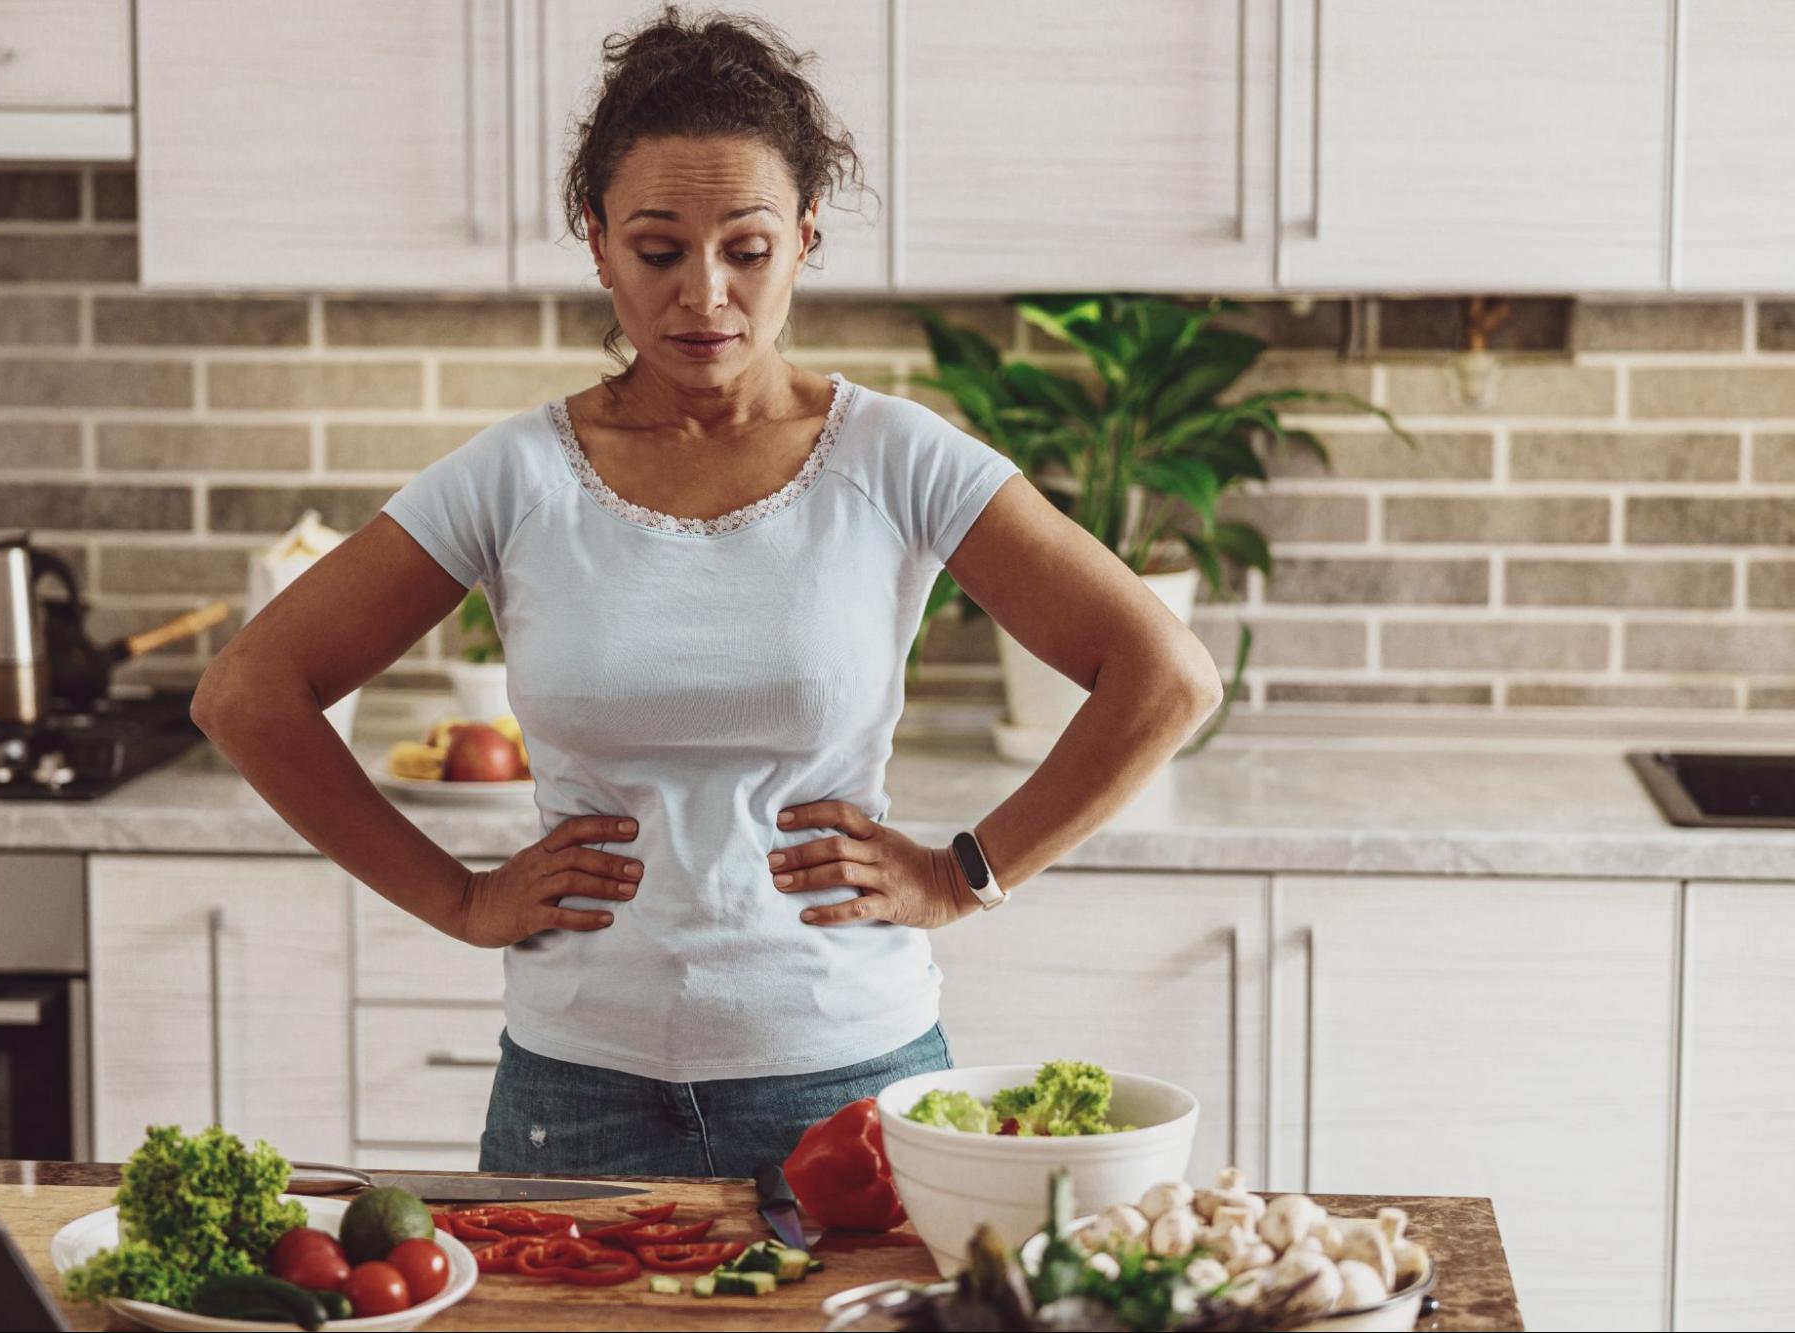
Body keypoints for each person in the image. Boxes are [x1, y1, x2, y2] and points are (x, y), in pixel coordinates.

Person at [191, 5, 1223, 1178]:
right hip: (572, 1089)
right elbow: (249, 693)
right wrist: (458, 899)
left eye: (747, 247)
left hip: (850, 1079)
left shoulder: (897, 457)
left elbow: (1166, 676)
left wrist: (962, 874)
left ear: (805, 236)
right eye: (658, 248)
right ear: (597, 243)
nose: (705, 295)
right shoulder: (518, 473)